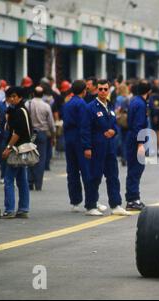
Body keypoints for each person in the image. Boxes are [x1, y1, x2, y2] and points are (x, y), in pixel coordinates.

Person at [81, 79, 127, 216]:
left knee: (113, 176)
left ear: (108, 90)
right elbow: (85, 129)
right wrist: (87, 147)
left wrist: (114, 131)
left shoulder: (110, 106)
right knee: (94, 176)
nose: (102, 91)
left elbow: (114, 124)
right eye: (100, 89)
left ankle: (116, 204)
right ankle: (91, 205)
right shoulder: (90, 107)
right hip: (96, 147)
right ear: (97, 90)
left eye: (105, 89)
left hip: (110, 148)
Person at [1, 87, 32, 219]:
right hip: (24, 150)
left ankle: (9, 209)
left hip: (16, 150)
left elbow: (17, 133)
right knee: (22, 180)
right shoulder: (22, 110)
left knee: (8, 179)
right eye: (9, 97)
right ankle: (23, 208)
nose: (12, 99)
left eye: (14, 96)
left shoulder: (18, 112)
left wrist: (8, 148)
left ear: (19, 97)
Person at [62, 80, 90, 212]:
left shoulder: (67, 103)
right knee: (86, 170)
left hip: (69, 138)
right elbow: (84, 125)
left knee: (72, 171)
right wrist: (87, 145)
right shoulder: (82, 104)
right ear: (84, 90)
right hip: (79, 138)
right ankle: (91, 200)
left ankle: (75, 201)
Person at [125, 81, 151, 211]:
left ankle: (132, 198)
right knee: (136, 169)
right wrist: (140, 144)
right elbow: (138, 125)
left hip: (131, 138)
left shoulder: (135, 101)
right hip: (136, 140)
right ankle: (133, 199)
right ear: (148, 91)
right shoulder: (141, 104)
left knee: (133, 170)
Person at [26, 86, 55, 191]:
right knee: (41, 159)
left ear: (33, 94)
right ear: (42, 95)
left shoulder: (27, 104)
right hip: (42, 134)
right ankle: (38, 184)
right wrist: (53, 134)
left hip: (30, 134)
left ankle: (29, 181)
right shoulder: (46, 106)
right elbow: (51, 123)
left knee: (29, 157)